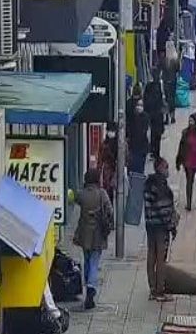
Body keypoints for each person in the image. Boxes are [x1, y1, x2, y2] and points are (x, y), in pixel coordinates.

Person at [72, 168, 114, 310]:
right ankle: (91, 287)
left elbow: (72, 198)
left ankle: (87, 283)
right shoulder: (102, 194)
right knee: (95, 261)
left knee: (87, 259)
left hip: (84, 233)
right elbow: (110, 211)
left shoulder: (82, 195)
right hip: (98, 233)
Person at [143, 157, 178, 302]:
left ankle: (152, 288)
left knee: (151, 255)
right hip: (161, 227)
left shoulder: (148, 184)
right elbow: (164, 209)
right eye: (166, 167)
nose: (168, 170)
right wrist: (172, 226)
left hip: (150, 225)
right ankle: (159, 290)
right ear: (160, 168)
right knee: (161, 258)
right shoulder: (161, 187)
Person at [144, 75, 165, 159]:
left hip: (152, 114)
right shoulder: (159, 86)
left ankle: (153, 151)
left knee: (153, 134)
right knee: (156, 135)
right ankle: (155, 152)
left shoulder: (150, 86)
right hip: (157, 115)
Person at [126, 99, 150, 174]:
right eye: (138, 105)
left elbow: (146, 131)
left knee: (140, 169)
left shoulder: (146, 117)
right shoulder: (131, 118)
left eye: (141, 105)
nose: (139, 107)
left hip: (142, 147)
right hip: (133, 147)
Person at [98, 122, 119, 203]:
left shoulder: (120, 145)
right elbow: (100, 159)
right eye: (109, 130)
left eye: (112, 130)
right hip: (106, 173)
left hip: (116, 172)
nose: (110, 133)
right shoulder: (104, 145)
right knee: (107, 193)